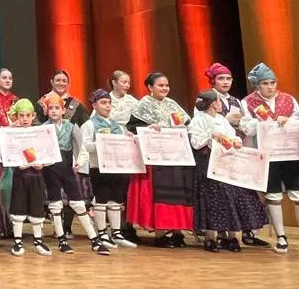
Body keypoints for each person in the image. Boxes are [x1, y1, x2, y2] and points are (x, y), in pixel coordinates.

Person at [239, 63, 299, 255]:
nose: (270, 87)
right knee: (273, 195)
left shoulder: (288, 99)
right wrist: (262, 122)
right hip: (267, 155)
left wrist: (288, 120)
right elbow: (245, 127)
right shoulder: (248, 102)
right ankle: (281, 237)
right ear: (258, 86)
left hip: (290, 154)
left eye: (273, 82)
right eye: (265, 83)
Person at [188, 90, 266, 253]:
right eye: (217, 101)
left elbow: (232, 135)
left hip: (227, 163)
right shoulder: (198, 120)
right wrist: (211, 137)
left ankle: (232, 236)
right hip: (208, 165)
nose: (220, 104)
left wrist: (236, 141)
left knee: (235, 196)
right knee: (213, 200)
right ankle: (211, 237)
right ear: (212, 103)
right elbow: (195, 142)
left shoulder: (221, 119)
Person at [125, 73, 195, 247]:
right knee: (160, 194)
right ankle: (161, 233)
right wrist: (148, 127)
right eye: (160, 85)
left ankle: (177, 231)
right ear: (150, 87)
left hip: (175, 157)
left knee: (176, 195)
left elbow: (187, 123)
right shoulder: (142, 105)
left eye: (167, 85)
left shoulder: (172, 104)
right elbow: (132, 127)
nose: (165, 88)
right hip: (155, 158)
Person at [38, 94, 107, 254]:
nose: (54, 111)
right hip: (50, 170)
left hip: (67, 169)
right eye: (50, 108)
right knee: (55, 204)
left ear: (63, 110)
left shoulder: (71, 126)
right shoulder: (44, 128)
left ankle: (94, 240)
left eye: (57, 108)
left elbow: (81, 145)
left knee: (78, 202)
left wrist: (80, 161)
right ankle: (61, 239)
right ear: (46, 111)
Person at [74, 89, 138, 248]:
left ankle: (116, 233)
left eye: (109, 103)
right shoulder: (89, 125)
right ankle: (102, 233)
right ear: (94, 105)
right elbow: (85, 146)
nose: (107, 106)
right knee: (101, 201)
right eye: (103, 103)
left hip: (117, 167)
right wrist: (103, 142)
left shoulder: (117, 125)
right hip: (98, 167)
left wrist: (128, 138)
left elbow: (125, 142)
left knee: (116, 201)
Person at [4, 99, 52, 257]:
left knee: (37, 206)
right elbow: (7, 153)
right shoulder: (12, 134)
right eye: (21, 115)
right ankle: (17, 240)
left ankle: (38, 240)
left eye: (28, 115)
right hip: (20, 177)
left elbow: (47, 153)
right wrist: (17, 164)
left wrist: (42, 164)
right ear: (16, 116)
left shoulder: (39, 133)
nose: (25, 119)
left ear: (34, 116)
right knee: (18, 206)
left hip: (36, 176)